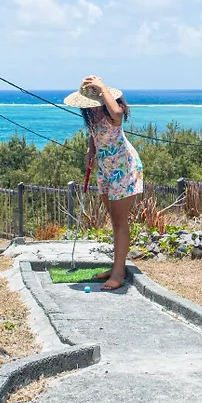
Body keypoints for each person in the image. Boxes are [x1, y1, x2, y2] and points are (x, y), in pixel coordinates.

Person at [65, 76, 143, 290]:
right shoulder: (93, 116)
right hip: (106, 170)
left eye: (95, 103)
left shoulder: (113, 114)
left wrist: (101, 88)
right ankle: (116, 265)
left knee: (120, 222)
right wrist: (91, 151)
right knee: (114, 220)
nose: (93, 109)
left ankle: (118, 273)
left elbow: (118, 113)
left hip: (123, 169)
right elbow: (94, 135)